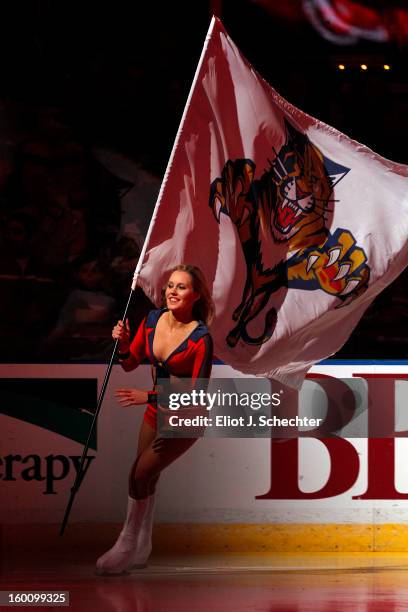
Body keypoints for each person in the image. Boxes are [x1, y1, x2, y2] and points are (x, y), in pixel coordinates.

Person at [96, 264, 214, 574]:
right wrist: (121, 342)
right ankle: (142, 545)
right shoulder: (152, 320)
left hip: (185, 419)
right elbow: (130, 363)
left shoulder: (201, 338)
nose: (173, 291)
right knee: (146, 476)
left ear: (196, 295)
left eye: (182, 287)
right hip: (155, 412)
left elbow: (195, 394)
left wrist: (146, 396)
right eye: (170, 285)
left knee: (138, 475)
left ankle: (125, 544)